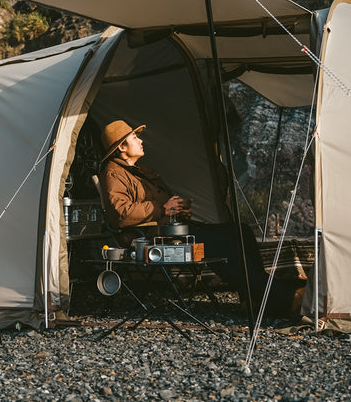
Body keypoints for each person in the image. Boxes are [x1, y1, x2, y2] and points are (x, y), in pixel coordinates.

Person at [98, 119, 305, 319]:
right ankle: (285, 299)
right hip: (151, 239)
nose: (141, 141)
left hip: (170, 230)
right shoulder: (113, 174)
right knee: (222, 245)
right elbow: (120, 214)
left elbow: (163, 207)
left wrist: (178, 210)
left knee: (241, 231)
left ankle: (252, 298)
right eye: (135, 137)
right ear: (122, 147)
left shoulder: (141, 172)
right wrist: (163, 208)